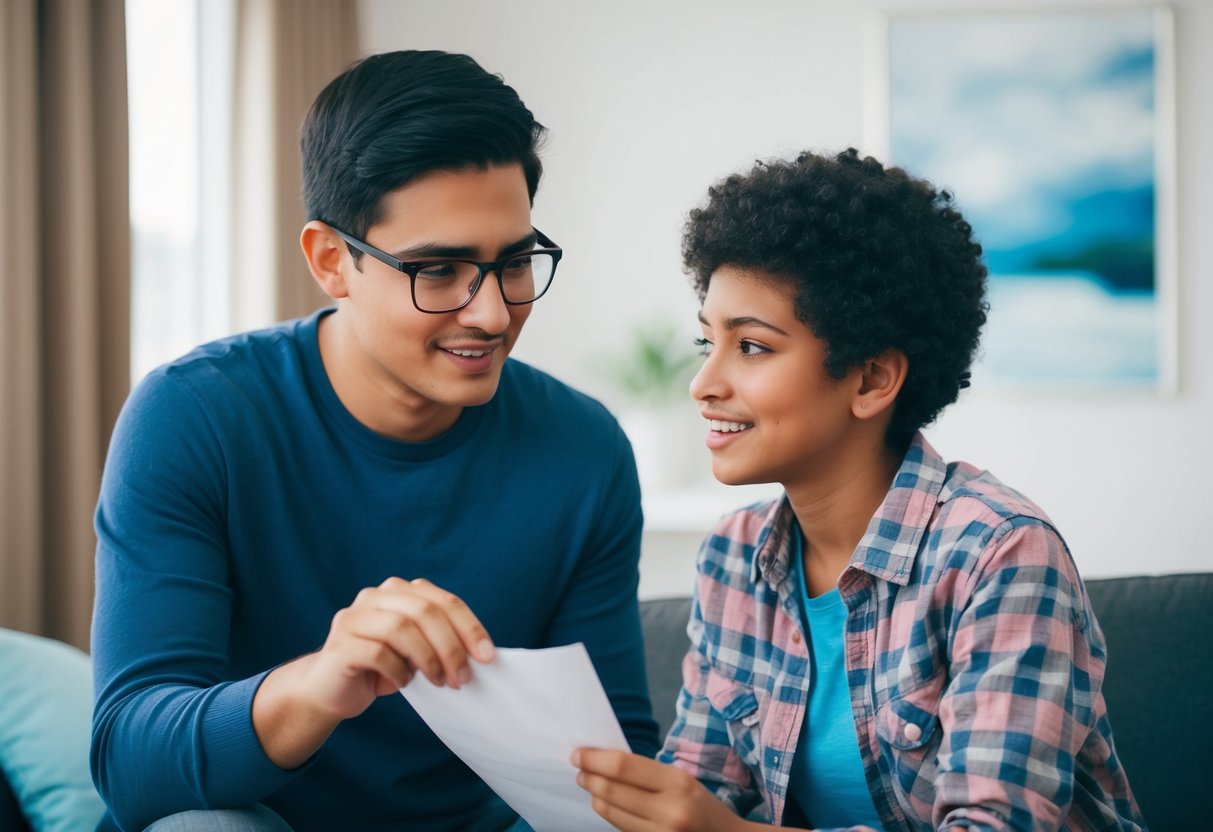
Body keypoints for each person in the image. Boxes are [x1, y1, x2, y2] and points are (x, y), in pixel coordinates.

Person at [91, 50, 658, 832]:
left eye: (515, 262)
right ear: (332, 261)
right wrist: (320, 683)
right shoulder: (195, 417)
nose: (491, 314)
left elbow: (613, 761)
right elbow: (131, 763)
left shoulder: (582, 448)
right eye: (438, 268)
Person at [573, 149, 1144, 831]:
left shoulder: (1000, 554)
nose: (703, 385)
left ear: (872, 379)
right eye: (706, 344)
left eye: (751, 346)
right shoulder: (731, 555)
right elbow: (704, 792)